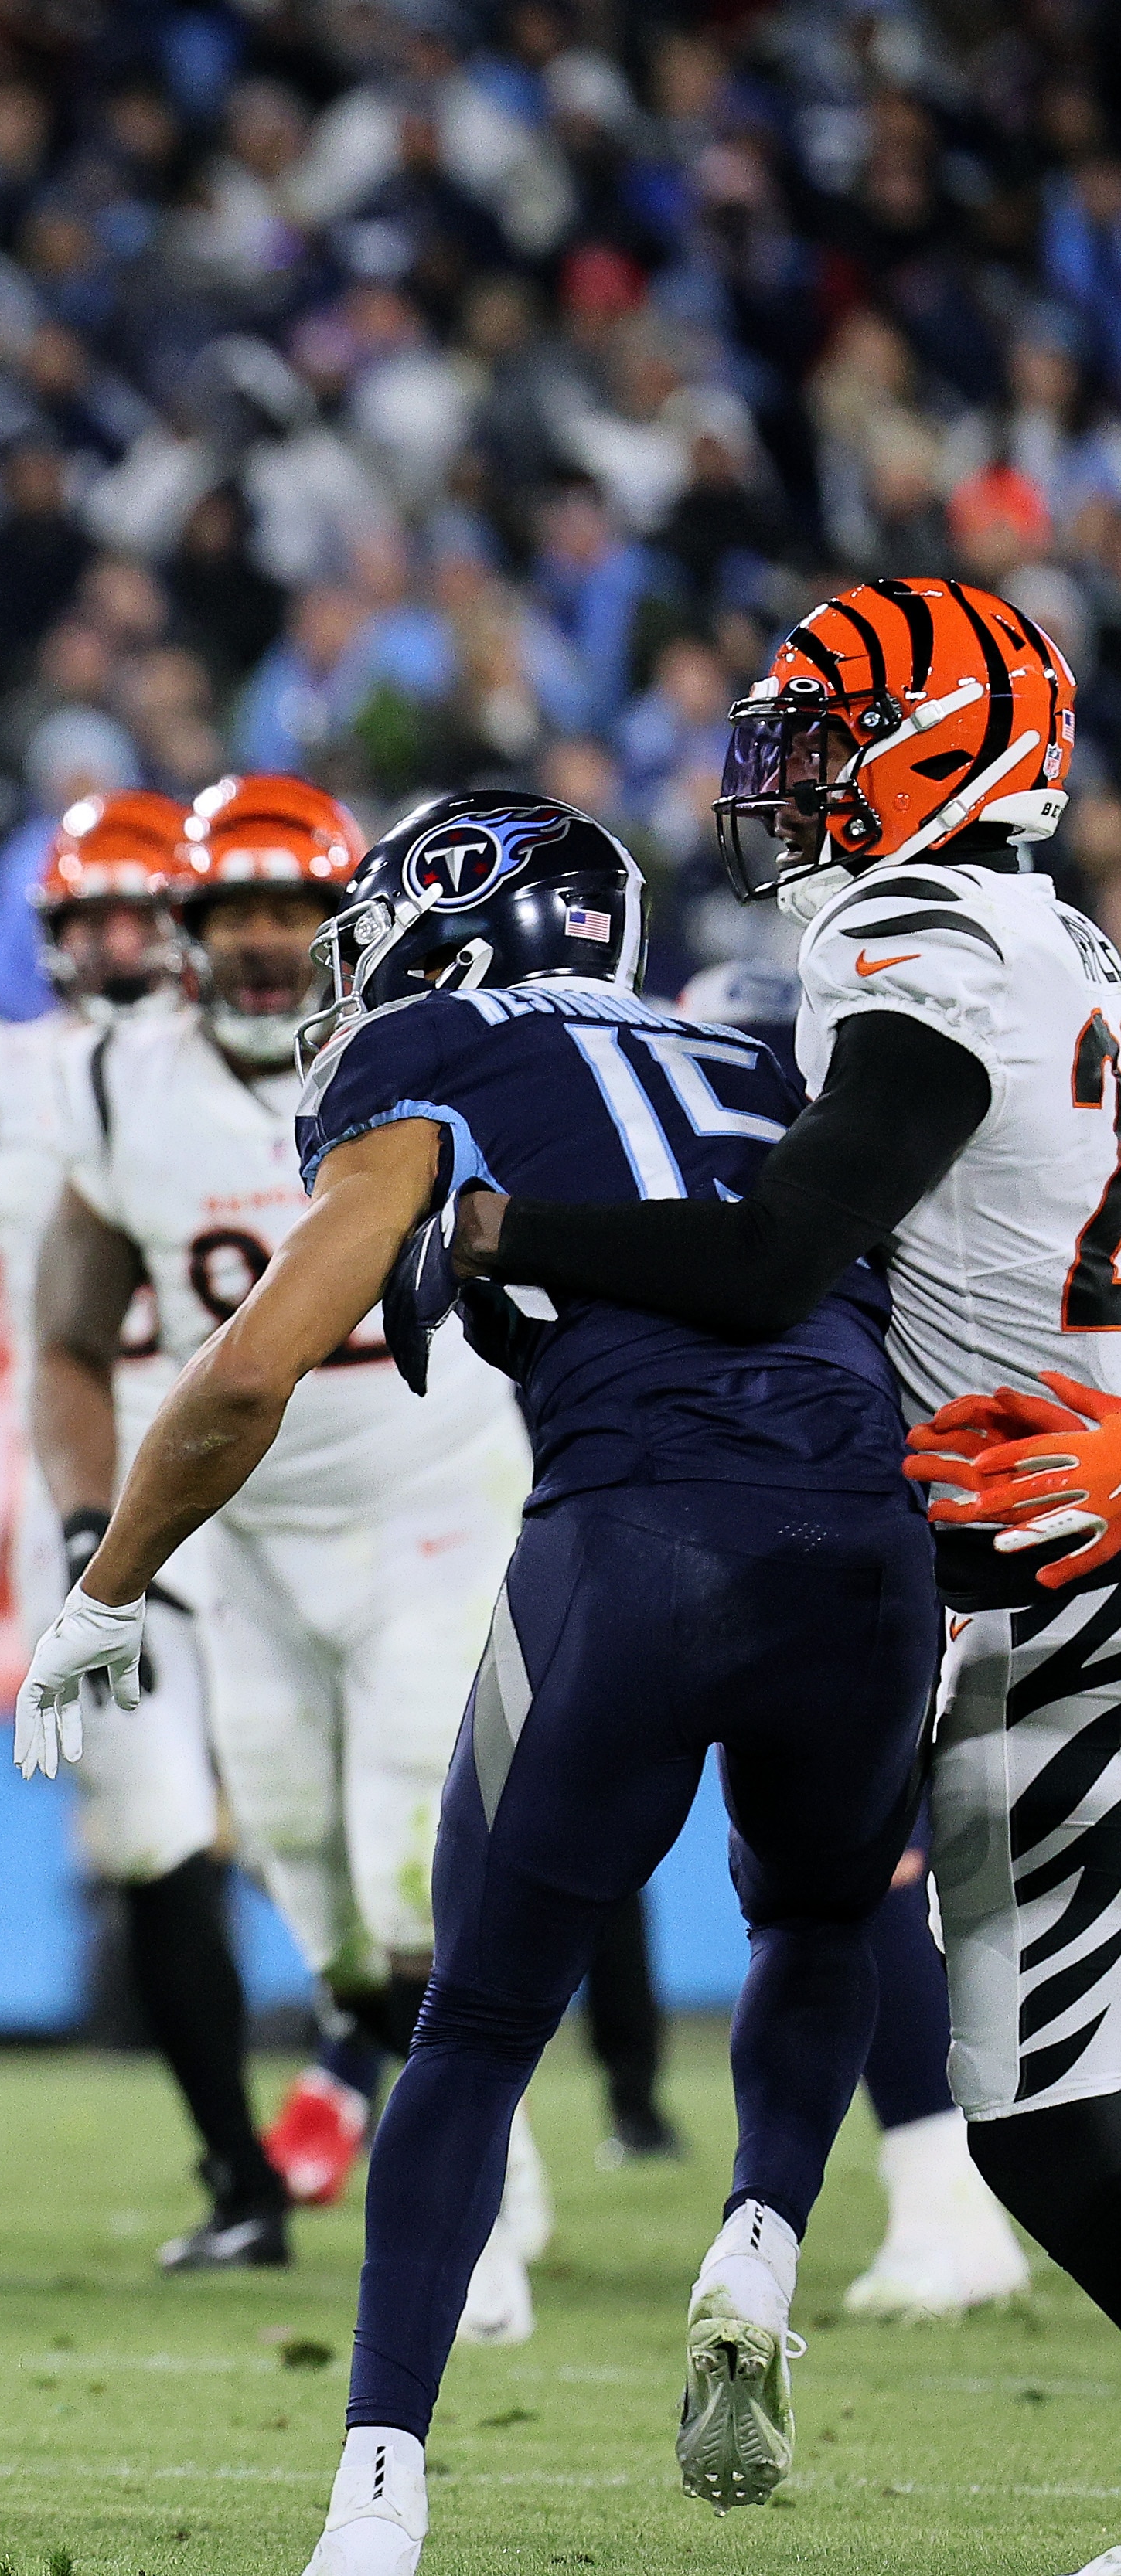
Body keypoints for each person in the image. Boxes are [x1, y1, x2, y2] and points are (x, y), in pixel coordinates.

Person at [26, 792, 939, 2571]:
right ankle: (757, 2235)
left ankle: (378, 2492)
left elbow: (241, 1373)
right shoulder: (752, 1044)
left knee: (471, 2028)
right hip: (873, 1531)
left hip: (637, 1542)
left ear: (451, 918)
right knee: (821, 1923)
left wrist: (106, 1581)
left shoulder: (429, 1048)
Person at [454, 584, 1107, 2424]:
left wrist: (502, 1225)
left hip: (1046, 1565)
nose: (792, 777)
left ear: (939, 745)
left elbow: (768, 1261)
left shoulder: (920, 930)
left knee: (1039, 2117)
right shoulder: (1057, 943)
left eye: (829, 736)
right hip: (1054, 1528)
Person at [29, 774, 543, 2319]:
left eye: (292, 908)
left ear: (347, 920)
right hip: (249, 1546)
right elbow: (63, 1336)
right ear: (184, 926)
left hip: (433, 1502)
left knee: (407, 1855)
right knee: (322, 1910)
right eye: (234, 910)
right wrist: (82, 1516)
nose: (264, 941)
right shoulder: (120, 1084)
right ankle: (461, 2148)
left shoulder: (428, 1048)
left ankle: (489, 2212)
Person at [0, 786, 275, 2268]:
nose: (124, 942)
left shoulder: (295, 1054)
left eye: (149, 909)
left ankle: (378, 2098)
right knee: (151, 1830)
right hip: (92, 1498)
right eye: (92, 916)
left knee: (338, 1816)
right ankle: (241, 2171)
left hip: (289, 1479)